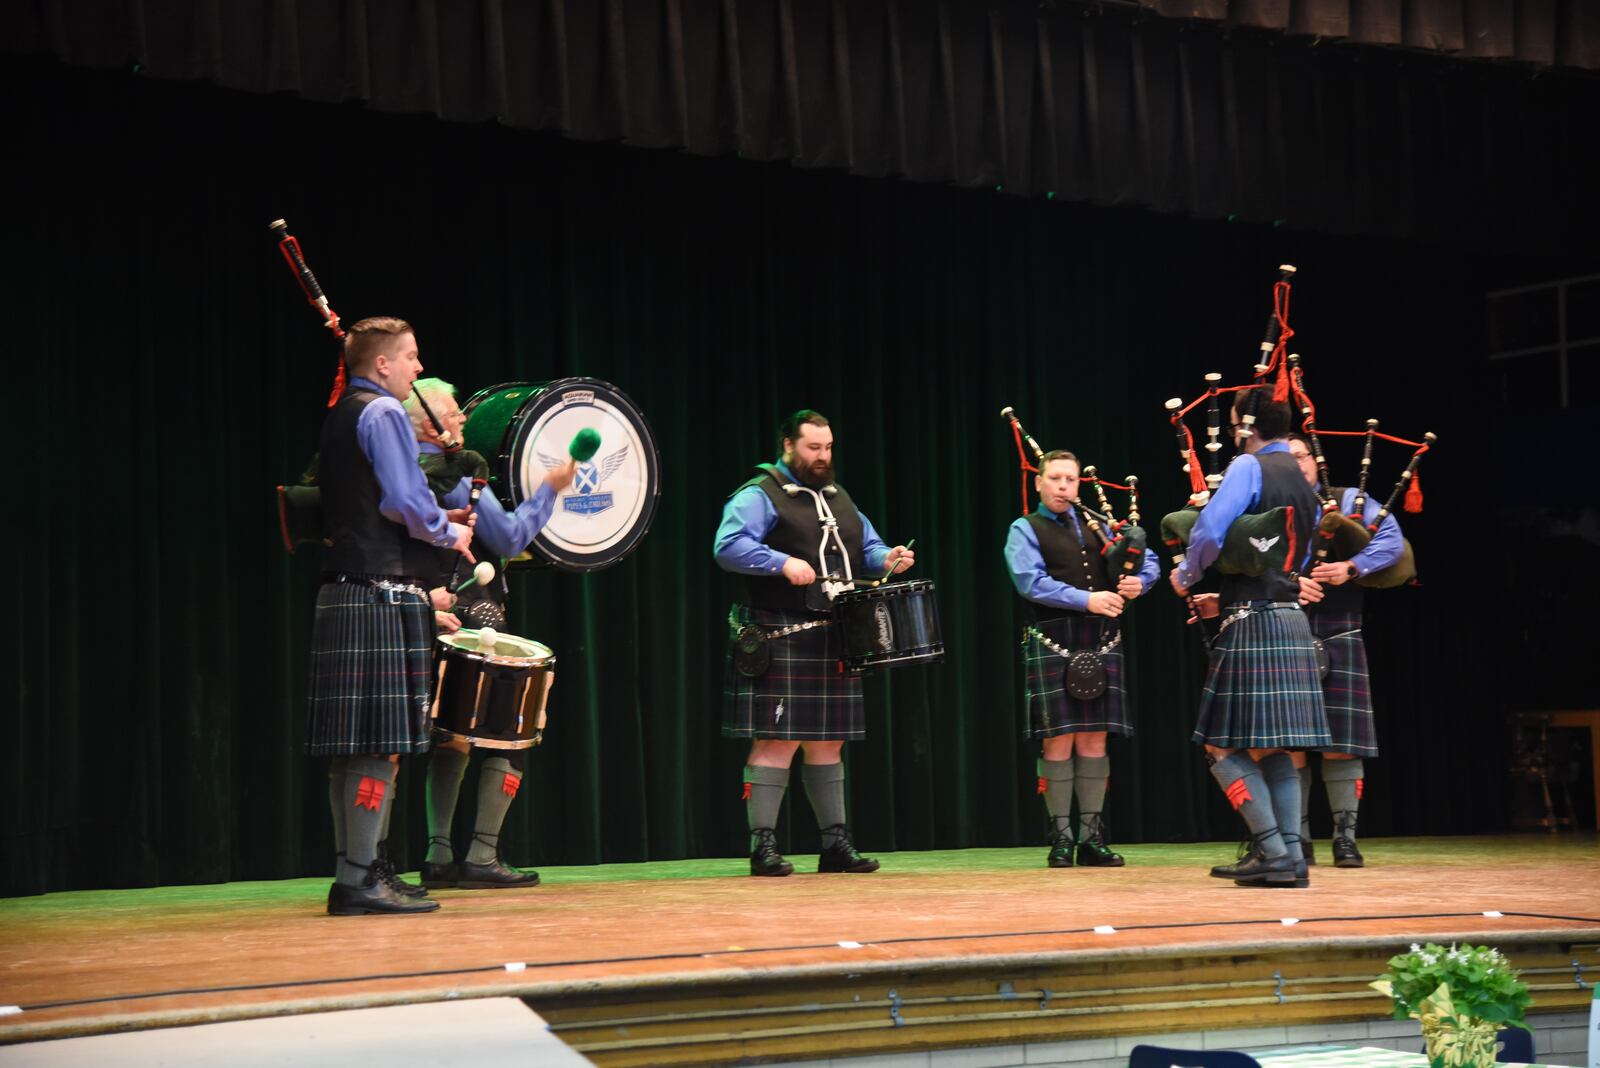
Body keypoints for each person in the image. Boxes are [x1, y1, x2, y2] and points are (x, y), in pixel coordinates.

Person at [305, 318, 474, 915]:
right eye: (411, 357)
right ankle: (358, 879)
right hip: (378, 591)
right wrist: (446, 530)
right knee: (375, 746)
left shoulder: (345, 412)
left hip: (349, 590)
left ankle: (360, 867)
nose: (417, 369)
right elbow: (405, 502)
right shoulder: (380, 415)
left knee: (355, 750)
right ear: (382, 364)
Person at [714, 410, 914, 877]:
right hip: (779, 632)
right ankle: (763, 847)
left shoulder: (838, 497)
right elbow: (728, 545)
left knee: (828, 742)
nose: (823, 458)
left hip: (834, 634)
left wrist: (889, 557)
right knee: (776, 743)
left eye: (828, 448)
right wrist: (779, 562)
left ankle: (835, 846)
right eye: (813, 449)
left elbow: (866, 547)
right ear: (788, 445)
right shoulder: (758, 495)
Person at [401, 379, 576, 890]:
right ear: (425, 424)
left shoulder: (396, 470)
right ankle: (482, 855)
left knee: (450, 734)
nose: (461, 422)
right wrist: (550, 489)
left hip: (423, 609)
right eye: (452, 414)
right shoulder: (455, 474)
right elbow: (510, 536)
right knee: (508, 731)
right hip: (474, 612)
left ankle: (437, 855)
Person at [1169, 393, 1330, 888]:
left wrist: (1187, 570)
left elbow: (1212, 529)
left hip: (1252, 620)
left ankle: (1273, 851)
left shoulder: (1247, 466)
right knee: (1275, 748)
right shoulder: (1308, 482)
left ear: (1245, 428)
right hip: (1290, 616)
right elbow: (1301, 547)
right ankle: (1290, 857)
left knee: (1220, 746)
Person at [1005, 451, 1159, 868]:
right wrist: (1087, 599)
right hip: (1053, 638)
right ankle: (1060, 838)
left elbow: (1149, 559)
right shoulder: (1025, 528)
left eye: (1070, 479)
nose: (1062, 486)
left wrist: (1138, 582)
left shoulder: (1101, 524)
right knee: (1058, 738)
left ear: (1079, 484)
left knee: (1095, 739)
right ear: (1038, 482)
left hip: (1102, 641)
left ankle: (1091, 838)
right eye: (1054, 478)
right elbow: (1028, 581)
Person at [1286, 432, 1404, 868]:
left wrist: (1350, 567)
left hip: (1340, 630)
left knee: (1342, 744)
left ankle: (1345, 837)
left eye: (1302, 455)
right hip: (1287, 630)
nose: (1296, 463)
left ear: (1315, 461)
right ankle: (1295, 839)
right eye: (1287, 457)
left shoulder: (1348, 500)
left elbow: (1392, 543)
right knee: (1289, 742)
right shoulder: (1267, 506)